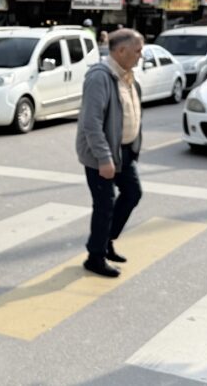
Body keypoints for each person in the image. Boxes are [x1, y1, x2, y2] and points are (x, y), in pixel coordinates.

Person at [76, 28, 144, 278]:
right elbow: (91, 123)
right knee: (104, 205)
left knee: (133, 193)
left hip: (123, 151)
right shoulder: (100, 77)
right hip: (101, 154)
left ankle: (106, 241)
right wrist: (104, 159)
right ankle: (95, 257)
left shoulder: (127, 76)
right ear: (121, 51)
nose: (140, 55)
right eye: (137, 51)